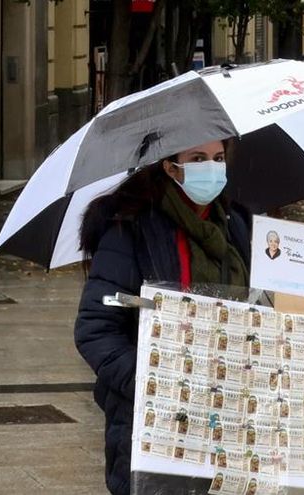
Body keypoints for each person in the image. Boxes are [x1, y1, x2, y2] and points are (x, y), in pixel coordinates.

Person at [75, 139, 252, 494]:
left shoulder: (235, 226)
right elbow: (95, 329)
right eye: (198, 158)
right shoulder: (130, 230)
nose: (212, 168)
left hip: (226, 421)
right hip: (154, 423)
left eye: (218, 158)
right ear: (171, 168)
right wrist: (151, 382)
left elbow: (255, 309)